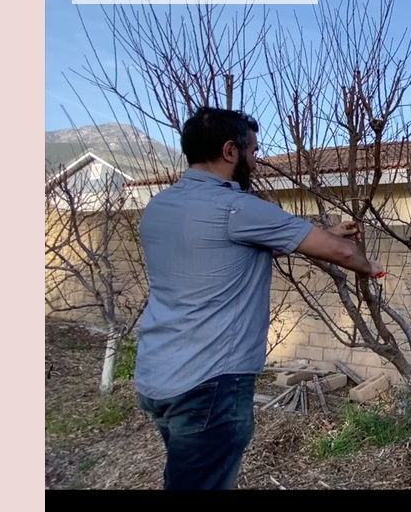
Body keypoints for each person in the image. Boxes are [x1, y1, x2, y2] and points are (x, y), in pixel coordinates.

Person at [133, 106, 384, 490]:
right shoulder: (237, 207)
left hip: (158, 377)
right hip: (209, 385)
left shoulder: (159, 207)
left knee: (186, 477)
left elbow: (235, 249)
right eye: (253, 151)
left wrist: (327, 231)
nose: (257, 160)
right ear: (230, 151)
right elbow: (345, 255)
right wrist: (370, 269)